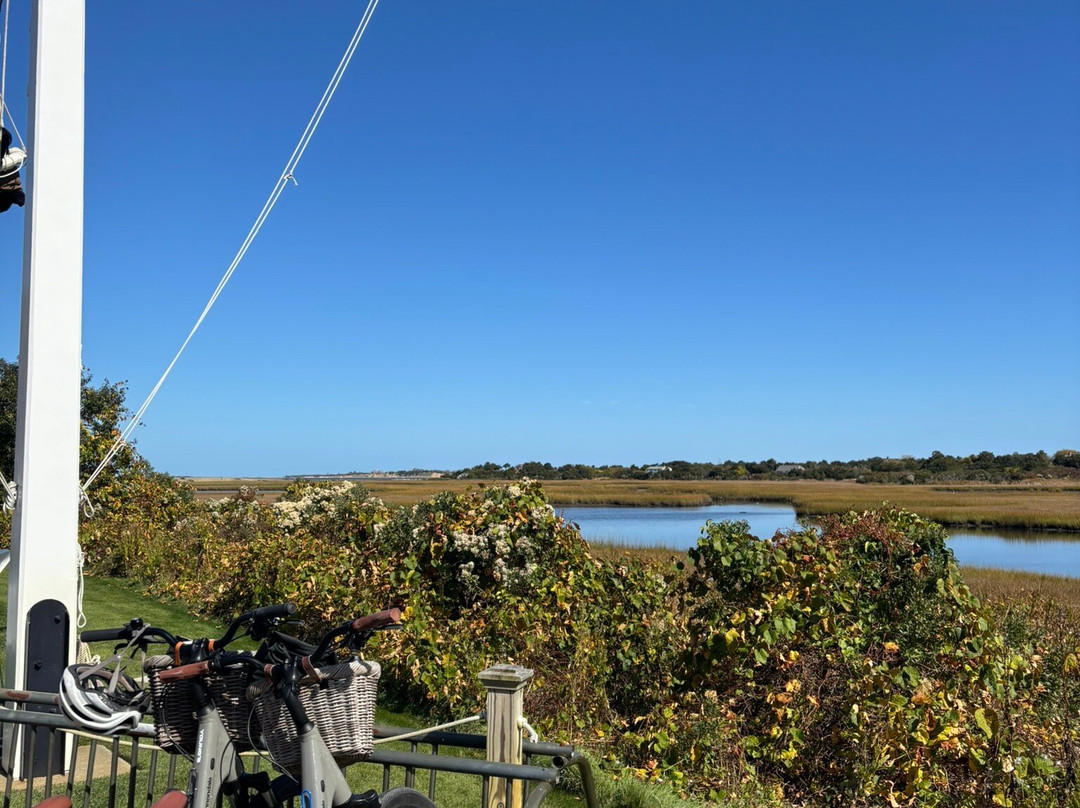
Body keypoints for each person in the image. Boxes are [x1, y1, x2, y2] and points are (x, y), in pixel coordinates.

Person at [1, 125, 26, 213]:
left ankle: (14, 195)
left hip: (11, 189)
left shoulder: (13, 152)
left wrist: (3, 164)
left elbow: (21, 155)